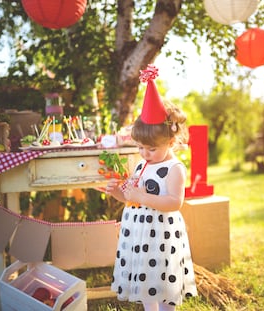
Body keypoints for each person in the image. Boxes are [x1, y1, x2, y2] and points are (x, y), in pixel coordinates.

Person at [101, 64, 197, 311]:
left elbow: (175, 202)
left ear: (171, 141)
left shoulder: (174, 169)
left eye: (151, 149)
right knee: (144, 277)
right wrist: (119, 194)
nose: (145, 153)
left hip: (161, 234)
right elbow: (133, 199)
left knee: (163, 278)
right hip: (138, 231)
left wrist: (142, 196)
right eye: (140, 147)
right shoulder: (142, 164)